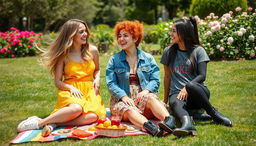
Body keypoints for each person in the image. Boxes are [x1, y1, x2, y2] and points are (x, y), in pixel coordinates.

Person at [17, 19, 106, 136]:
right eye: (81, 32)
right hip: (71, 89)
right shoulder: (64, 55)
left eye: (85, 31)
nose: (85, 34)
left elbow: (97, 69)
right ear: (71, 34)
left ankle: (55, 123)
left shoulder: (93, 51)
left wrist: (97, 79)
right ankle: (38, 123)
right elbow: (58, 82)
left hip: (90, 89)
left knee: (93, 116)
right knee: (77, 109)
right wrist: (71, 88)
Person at [160, 17, 232, 137]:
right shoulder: (168, 51)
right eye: (171, 30)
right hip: (178, 95)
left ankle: (214, 114)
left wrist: (186, 88)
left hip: (197, 93)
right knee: (175, 102)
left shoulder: (198, 51)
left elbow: (202, 76)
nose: (170, 34)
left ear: (182, 33)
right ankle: (187, 124)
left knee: (190, 85)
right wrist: (166, 100)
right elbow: (167, 77)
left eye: (173, 31)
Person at [106, 21, 176, 137]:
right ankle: (151, 128)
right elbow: (111, 83)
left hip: (142, 99)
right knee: (128, 109)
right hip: (122, 101)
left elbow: (155, 79)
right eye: (119, 36)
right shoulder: (114, 59)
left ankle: (169, 122)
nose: (121, 39)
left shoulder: (148, 58)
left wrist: (146, 90)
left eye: (125, 35)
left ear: (135, 38)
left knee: (151, 98)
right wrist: (123, 96)